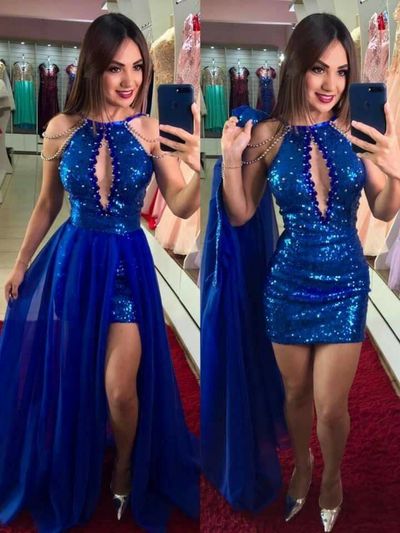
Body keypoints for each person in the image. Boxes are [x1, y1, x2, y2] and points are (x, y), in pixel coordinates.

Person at [0, 13, 200, 533]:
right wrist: (20, 263)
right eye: (116, 68)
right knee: (76, 378)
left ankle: (127, 464)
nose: (130, 80)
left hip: (127, 267)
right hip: (75, 263)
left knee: (119, 388)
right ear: (93, 67)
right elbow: (47, 204)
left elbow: (180, 203)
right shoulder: (61, 129)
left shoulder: (149, 129)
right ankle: (79, 455)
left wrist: (198, 168)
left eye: (137, 67)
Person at [202, 12, 400, 532]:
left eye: (341, 71)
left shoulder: (356, 129)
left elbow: (383, 208)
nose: (331, 84)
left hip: (346, 284)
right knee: (294, 395)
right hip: (287, 285)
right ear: (296, 68)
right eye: (319, 69)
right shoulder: (268, 135)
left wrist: (397, 167)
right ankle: (303, 465)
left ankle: (331, 477)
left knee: (330, 407)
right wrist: (229, 159)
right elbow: (241, 213)